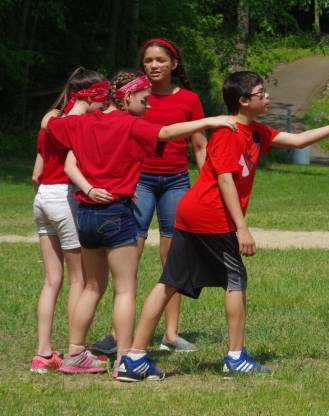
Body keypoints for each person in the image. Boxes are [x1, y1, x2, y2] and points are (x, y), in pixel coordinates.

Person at [115, 71, 329, 382]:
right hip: (210, 215)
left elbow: (297, 140)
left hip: (192, 213)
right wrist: (241, 228)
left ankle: (134, 358)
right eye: (262, 94)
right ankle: (235, 357)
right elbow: (225, 180)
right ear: (244, 101)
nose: (268, 97)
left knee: (170, 282)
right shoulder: (230, 133)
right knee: (235, 279)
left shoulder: (254, 131)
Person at [46, 69, 237, 374]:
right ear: (128, 96)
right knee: (125, 289)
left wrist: (81, 103)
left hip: (85, 214)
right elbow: (165, 133)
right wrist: (208, 121)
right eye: (145, 100)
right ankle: (126, 358)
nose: (149, 106)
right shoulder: (131, 124)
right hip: (117, 212)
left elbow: (50, 125)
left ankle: (75, 354)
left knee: (93, 286)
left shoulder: (80, 122)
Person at [91, 38, 204, 355]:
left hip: (176, 182)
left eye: (160, 60)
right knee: (129, 256)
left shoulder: (190, 100)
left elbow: (199, 145)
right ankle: (117, 334)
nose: (154, 65)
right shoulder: (133, 96)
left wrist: (207, 185)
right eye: (148, 61)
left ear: (174, 64)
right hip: (138, 180)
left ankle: (170, 334)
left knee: (173, 256)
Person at [29, 68, 110, 373]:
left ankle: (43, 353)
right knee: (80, 279)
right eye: (102, 99)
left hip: (43, 198)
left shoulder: (50, 122)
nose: (104, 106)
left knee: (52, 280)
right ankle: (79, 352)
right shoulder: (81, 125)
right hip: (66, 196)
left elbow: (36, 174)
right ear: (91, 96)